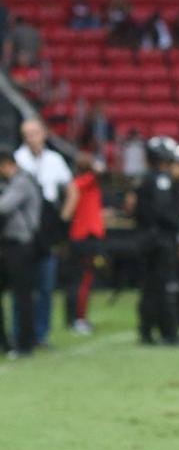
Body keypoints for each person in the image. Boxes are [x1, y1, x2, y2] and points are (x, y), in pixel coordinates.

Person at [16, 118, 76, 348]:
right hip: (23, 224)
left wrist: (62, 219)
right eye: (27, 133)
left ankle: (41, 333)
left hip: (47, 225)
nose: (31, 137)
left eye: (35, 132)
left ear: (44, 133)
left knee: (45, 285)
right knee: (22, 285)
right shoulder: (17, 159)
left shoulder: (54, 160)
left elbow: (71, 190)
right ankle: (22, 332)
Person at [134, 136, 179, 346]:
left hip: (146, 239)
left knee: (149, 288)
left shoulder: (144, 178)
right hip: (161, 241)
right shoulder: (160, 179)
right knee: (165, 287)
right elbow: (164, 211)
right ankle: (168, 332)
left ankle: (146, 331)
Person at [0, 146, 42, 358]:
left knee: (22, 295)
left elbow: (4, 207)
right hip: (7, 245)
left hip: (21, 245)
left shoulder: (22, 181)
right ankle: (5, 342)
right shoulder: (7, 183)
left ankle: (25, 343)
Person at [61, 152, 106, 335]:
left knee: (75, 280)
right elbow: (100, 171)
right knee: (84, 280)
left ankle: (73, 318)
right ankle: (78, 318)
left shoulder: (82, 183)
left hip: (78, 235)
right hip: (86, 237)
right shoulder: (87, 181)